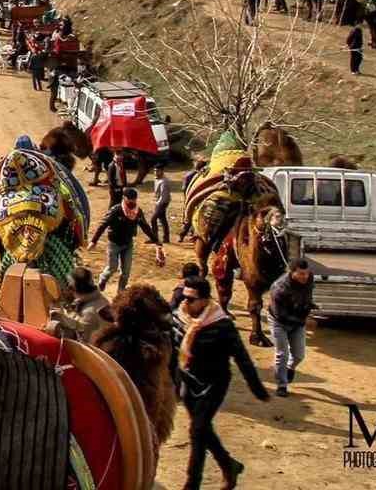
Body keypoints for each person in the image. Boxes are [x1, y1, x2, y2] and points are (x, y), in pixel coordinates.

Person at [177, 277, 269, 490]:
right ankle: (229, 465)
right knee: (202, 430)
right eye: (184, 297)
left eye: (191, 299)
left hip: (214, 383)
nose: (186, 302)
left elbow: (242, 357)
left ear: (205, 300)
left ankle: (192, 483)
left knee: (197, 430)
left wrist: (257, 389)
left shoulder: (222, 325)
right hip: (189, 382)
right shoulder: (181, 316)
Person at [90, 188, 163, 293]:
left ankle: (121, 292)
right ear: (124, 198)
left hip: (128, 243)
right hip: (114, 243)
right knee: (112, 268)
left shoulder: (137, 212)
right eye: (130, 200)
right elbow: (103, 224)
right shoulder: (116, 210)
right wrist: (94, 241)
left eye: (134, 199)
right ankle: (102, 280)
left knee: (126, 272)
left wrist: (156, 240)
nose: (133, 202)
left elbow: (145, 227)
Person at [267, 257, 316, 396]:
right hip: (279, 322)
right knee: (282, 354)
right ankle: (282, 385)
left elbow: (307, 296)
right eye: (301, 274)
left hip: (298, 320)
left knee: (299, 355)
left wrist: (310, 308)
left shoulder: (309, 279)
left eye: (307, 273)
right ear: (292, 273)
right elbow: (280, 315)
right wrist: (304, 320)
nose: (305, 276)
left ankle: (290, 368)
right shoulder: (279, 288)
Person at [52, 267, 113, 341]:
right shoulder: (100, 299)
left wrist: (61, 319)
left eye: (69, 286)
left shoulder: (89, 312)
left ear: (72, 289)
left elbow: (81, 340)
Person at [152, 167, 173, 243]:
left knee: (153, 219)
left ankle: (154, 237)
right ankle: (166, 238)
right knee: (163, 219)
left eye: (157, 171)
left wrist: (158, 204)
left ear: (161, 171)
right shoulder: (157, 179)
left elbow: (164, 196)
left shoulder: (164, 181)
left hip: (162, 202)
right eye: (154, 171)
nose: (155, 172)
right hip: (160, 201)